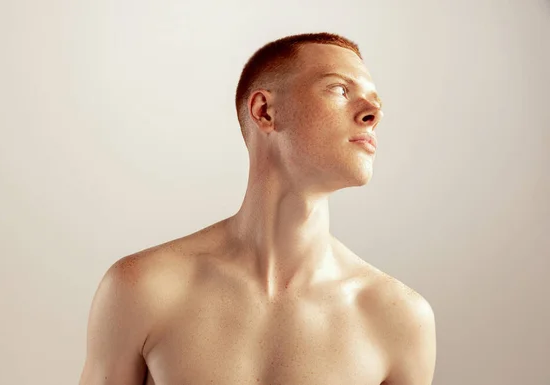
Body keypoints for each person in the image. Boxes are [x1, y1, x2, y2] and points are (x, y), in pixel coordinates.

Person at [79, 32, 437, 385]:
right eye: (340, 89)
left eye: (376, 102)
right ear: (265, 111)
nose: (373, 112)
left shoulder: (399, 319)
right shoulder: (142, 288)